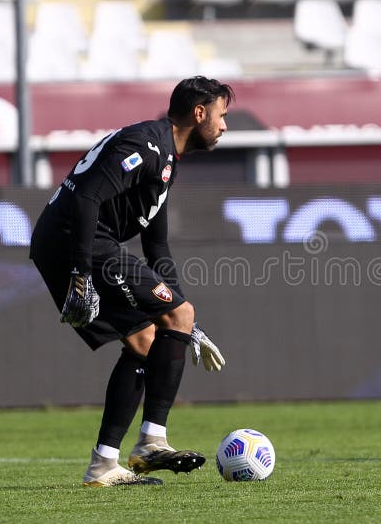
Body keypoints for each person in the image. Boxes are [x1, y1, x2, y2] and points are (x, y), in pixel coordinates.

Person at [30, 76, 234, 486]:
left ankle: (103, 465)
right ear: (199, 113)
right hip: (78, 242)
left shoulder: (165, 158)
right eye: (222, 115)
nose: (224, 125)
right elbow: (87, 196)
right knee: (176, 317)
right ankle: (151, 443)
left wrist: (181, 316)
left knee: (146, 341)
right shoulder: (146, 146)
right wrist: (82, 273)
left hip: (70, 243)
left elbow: (156, 246)